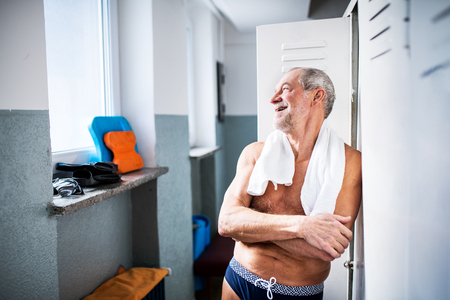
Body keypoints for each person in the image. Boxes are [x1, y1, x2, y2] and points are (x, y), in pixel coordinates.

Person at [218, 67, 362, 299]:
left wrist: (249, 227)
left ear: (317, 96)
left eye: (285, 89)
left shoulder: (350, 163)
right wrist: (303, 227)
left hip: (297, 293)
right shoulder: (254, 154)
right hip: (238, 280)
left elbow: (327, 247)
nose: (273, 98)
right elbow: (226, 222)